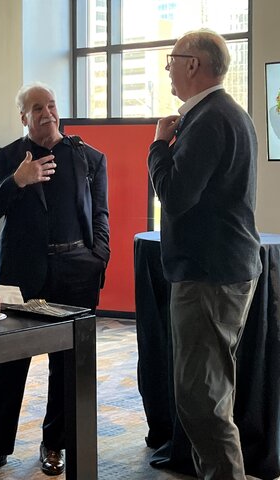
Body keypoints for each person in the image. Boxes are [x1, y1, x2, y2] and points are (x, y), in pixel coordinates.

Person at [0, 82, 110, 478]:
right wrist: (18, 180)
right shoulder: (9, 157)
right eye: (37, 108)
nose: (47, 112)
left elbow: (101, 214)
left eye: (51, 105)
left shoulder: (88, 157)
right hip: (18, 278)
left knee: (65, 366)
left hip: (75, 274)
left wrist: (99, 257)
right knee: (7, 365)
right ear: (23, 117)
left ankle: (55, 444)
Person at [147, 29, 261, 479]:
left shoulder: (211, 117)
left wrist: (157, 146)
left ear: (193, 64)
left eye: (171, 59)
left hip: (209, 275)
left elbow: (175, 195)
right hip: (221, 269)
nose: (169, 68)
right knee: (210, 393)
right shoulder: (223, 113)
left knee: (200, 401)